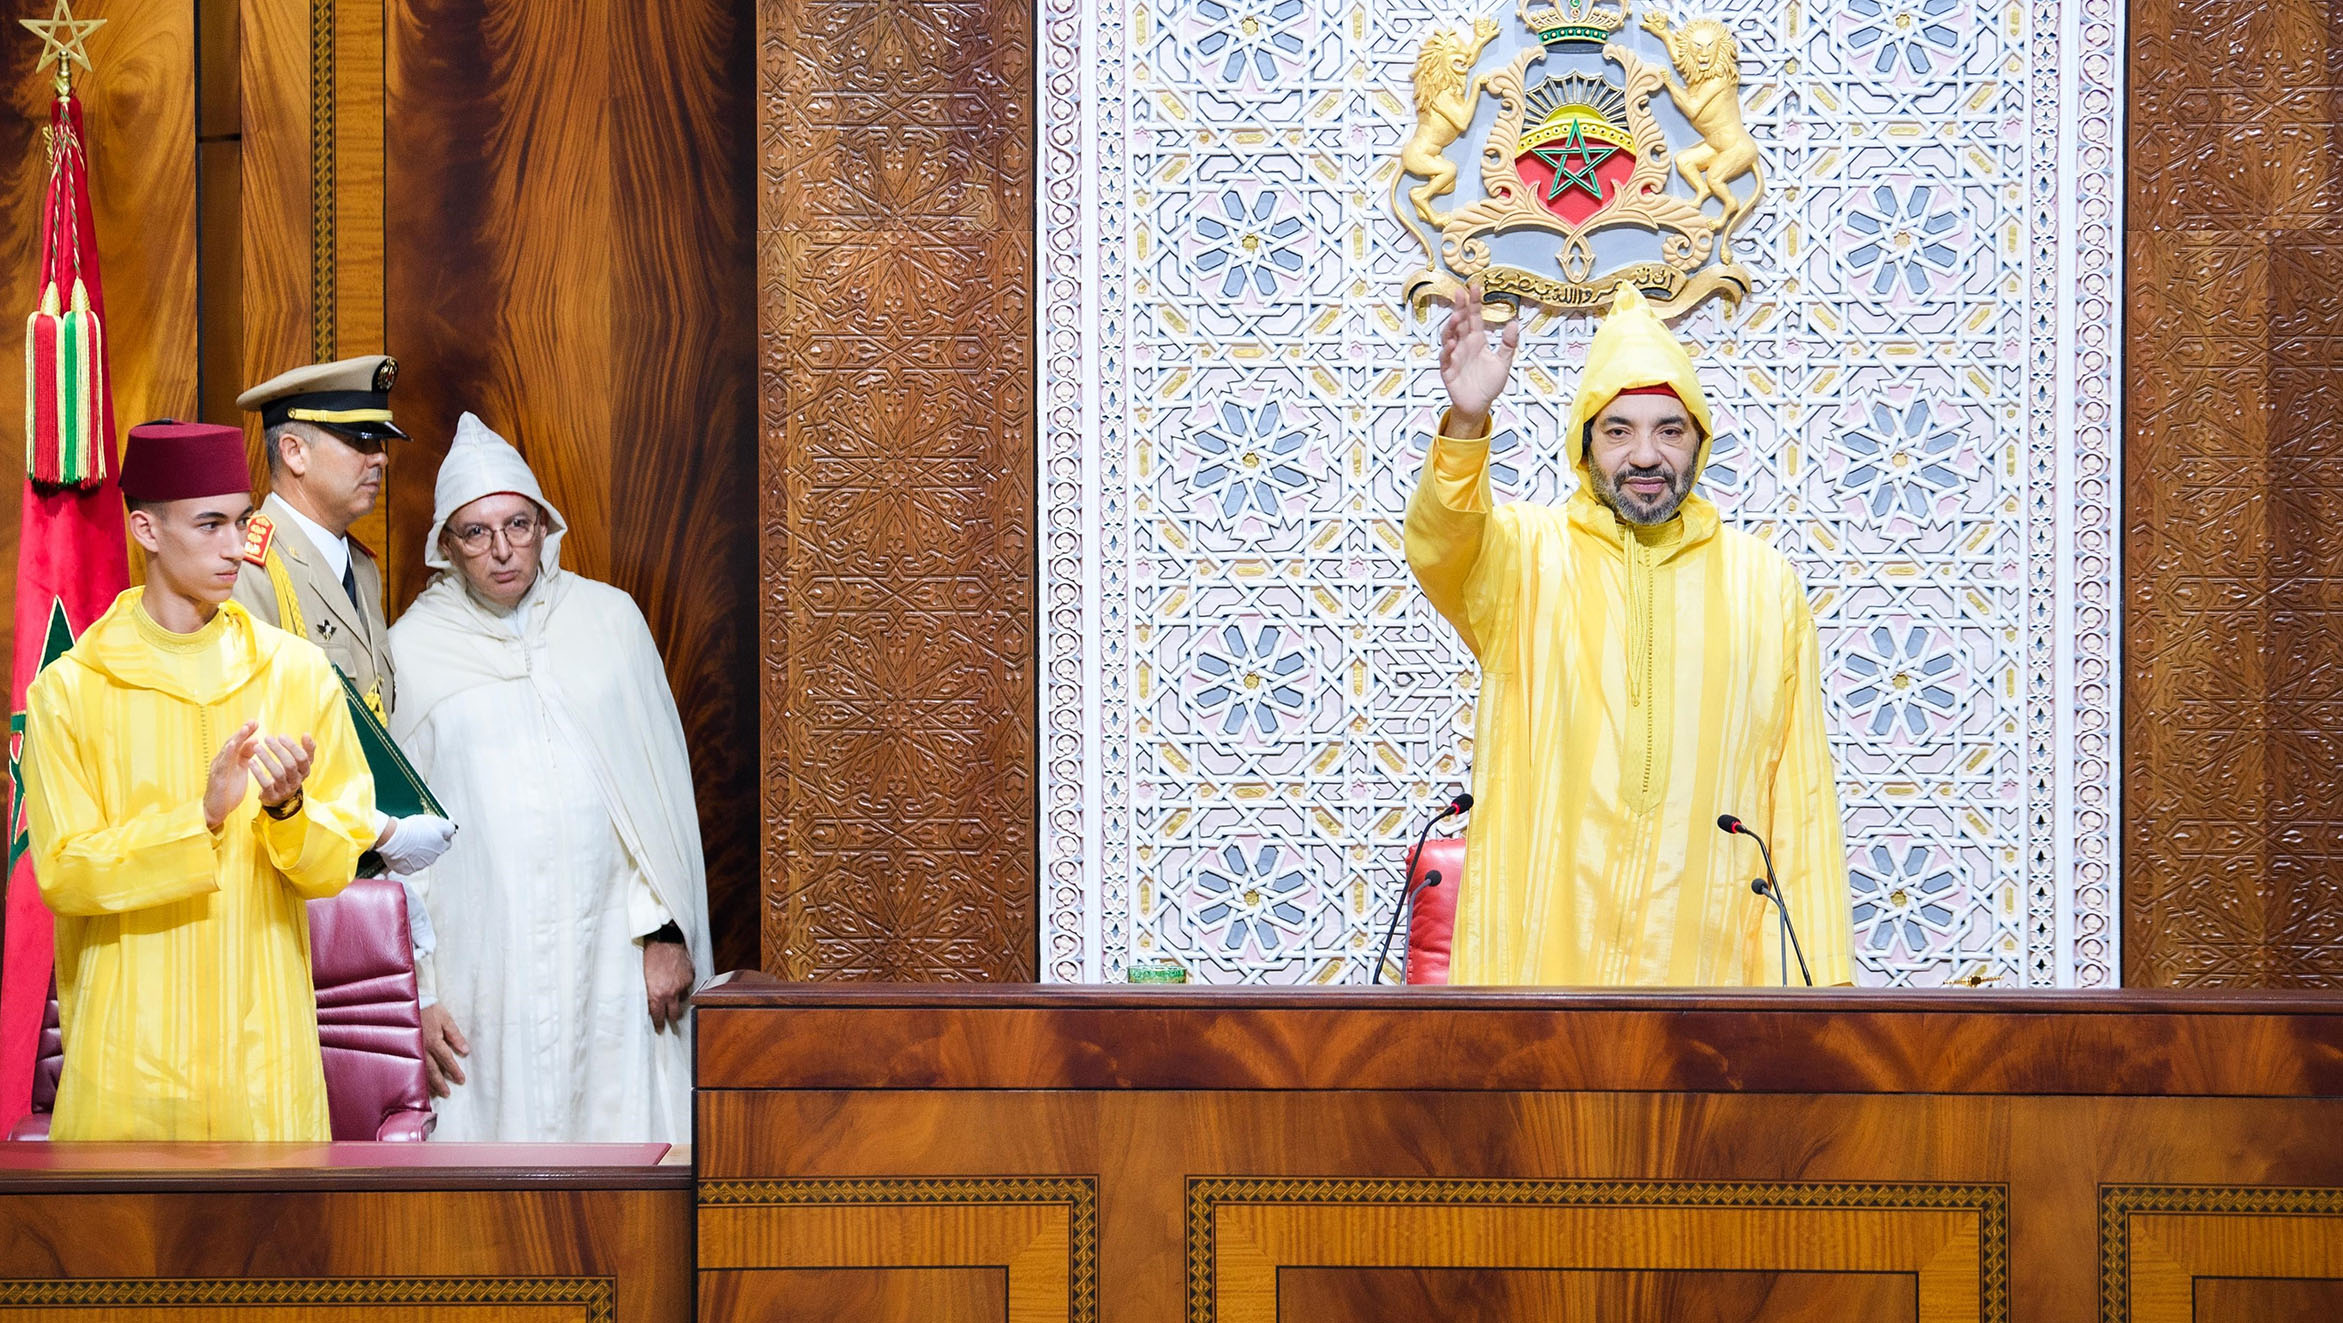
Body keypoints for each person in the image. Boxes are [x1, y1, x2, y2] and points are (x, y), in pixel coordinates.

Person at [1406, 285, 1855, 986]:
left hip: (1709, 972)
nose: (1645, 455)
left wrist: (1815, 997)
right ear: (1584, 447)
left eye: (1668, 430)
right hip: (1543, 954)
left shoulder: (1762, 583)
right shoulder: (1524, 556)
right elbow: (1441, 548)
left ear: (1699, 442)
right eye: (1617, 430)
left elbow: (1797, 797)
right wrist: (1468, 421)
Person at [19, 421, 379, 1140]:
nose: (234, 545)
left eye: (241, 520)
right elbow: (63, 872)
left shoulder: (294, 673)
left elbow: (341, 855)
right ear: (146, 529)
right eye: (209, 523)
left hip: (264, 1072)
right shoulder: (70, 691)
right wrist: (202, 820)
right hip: (129, 1075)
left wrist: (287, 810)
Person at [390, 413, 711, 1142]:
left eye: (518, 524)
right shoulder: (410, 650)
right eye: (476, 532)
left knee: (619, 1120)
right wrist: (422, 988)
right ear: (446, 546)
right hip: (484, 956)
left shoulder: (608, 622)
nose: (502, 550)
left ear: (545, 527)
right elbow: (400, 841)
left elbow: (654, 800)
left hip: (614, 950)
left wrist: (665, 931)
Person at [231, 355, 457, 1055]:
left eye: (379, 442)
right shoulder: (248, 566)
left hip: (352, 877)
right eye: (357, 441)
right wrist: (381, 831)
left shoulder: (358, 563)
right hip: (282, 884)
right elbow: (252, 751)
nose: (377, 458)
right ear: (292, 451)